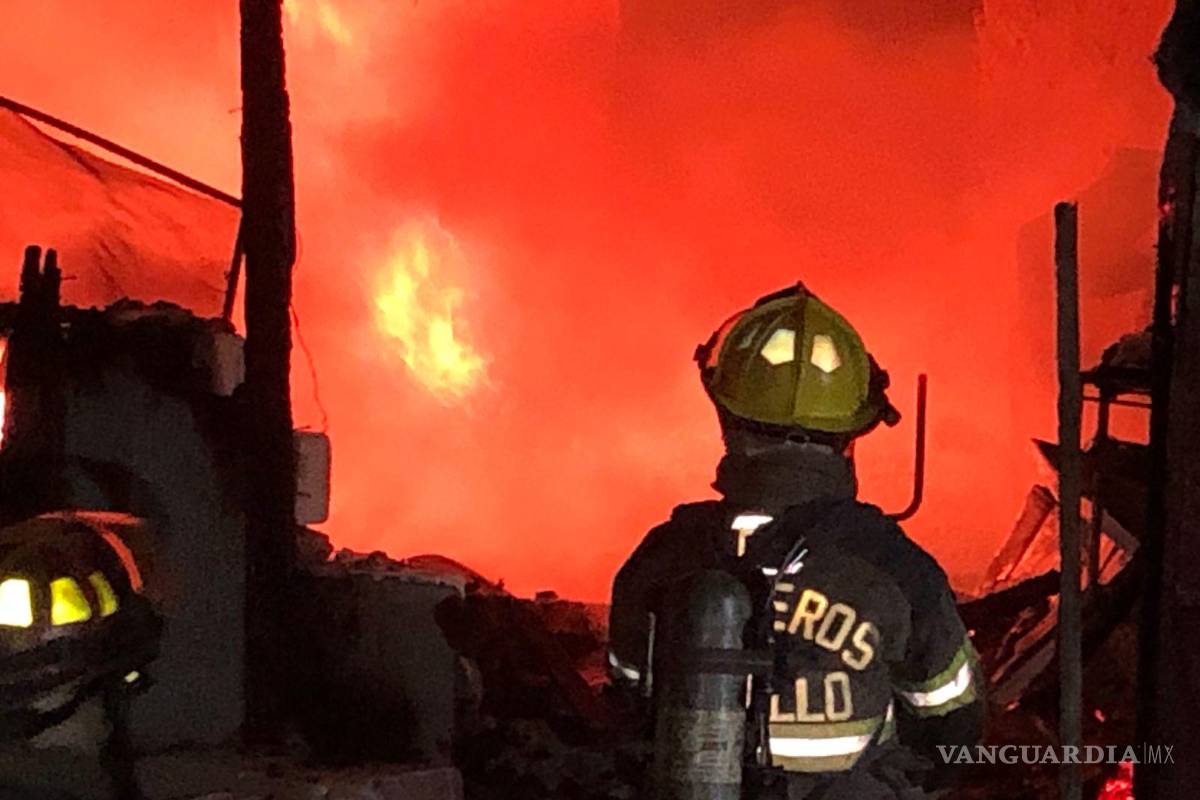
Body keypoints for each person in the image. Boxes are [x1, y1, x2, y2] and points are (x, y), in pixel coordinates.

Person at [608, 284, 984, 799]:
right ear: (854, 430)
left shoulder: (665, 556)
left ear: (727, 419)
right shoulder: (895, 568)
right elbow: (952, 724)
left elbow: (629, 701)